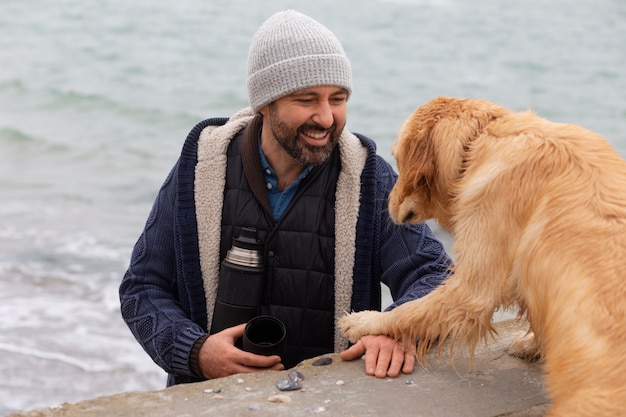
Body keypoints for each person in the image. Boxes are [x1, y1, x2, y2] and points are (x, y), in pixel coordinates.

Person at [119, 9, 452, 387]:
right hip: (211, 403)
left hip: (332, 405)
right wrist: (195, 352)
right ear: (265, 102)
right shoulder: (201, 167)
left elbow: (435, 276)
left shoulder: (368, 176)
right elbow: (142, 288)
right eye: (307, 99)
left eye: (337, 98)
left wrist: (393, 328)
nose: (326, 118)